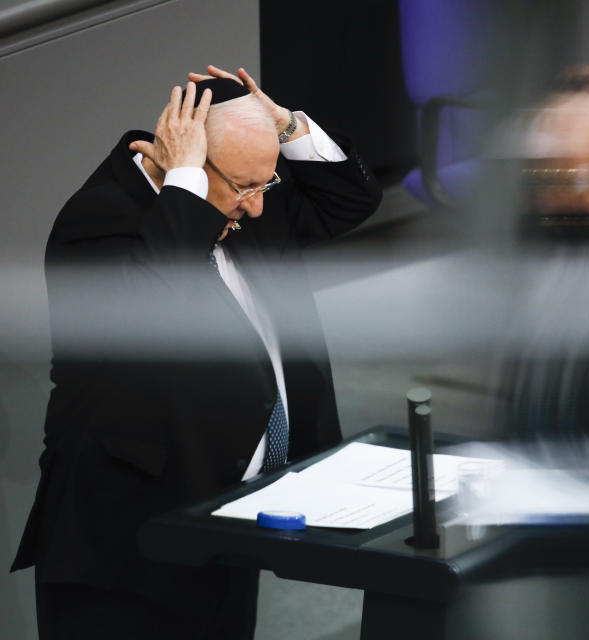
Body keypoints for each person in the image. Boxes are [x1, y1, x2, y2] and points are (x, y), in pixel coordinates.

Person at [10, 65, 381, 639]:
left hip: (228, 520)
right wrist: (184, 184)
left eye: (267, 186)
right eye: (243, 189)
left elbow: (348, 201)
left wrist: (285, 128)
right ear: (186, 158)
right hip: (128, 551)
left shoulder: (243, 191)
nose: (257, 207)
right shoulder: (95, 224)